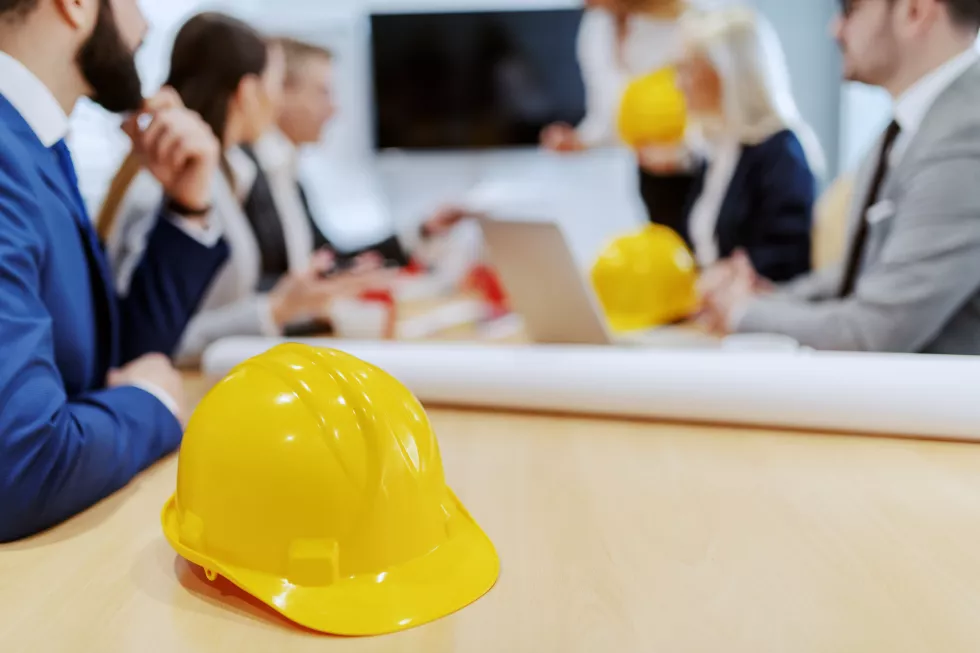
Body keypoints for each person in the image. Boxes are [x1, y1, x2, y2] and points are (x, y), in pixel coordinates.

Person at [0, 0, 229, 541]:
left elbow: (109, 365)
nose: (145, 23)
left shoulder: (35, 143)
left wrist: (185, 208)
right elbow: (20, 464)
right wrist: (153, 403)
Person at [99, 14, 388, 365]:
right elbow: (146, 338)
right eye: (276, 85)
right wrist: (276, 309)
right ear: (248, 92)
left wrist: (295, 304)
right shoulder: (167, 187)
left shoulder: (227, 176)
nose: (279, 103)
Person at [699, 0, 980, 354]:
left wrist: (741, 311)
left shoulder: (965, 135)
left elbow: (876, 331)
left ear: (915, 11)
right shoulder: (912, 126)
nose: (835, 29)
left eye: (850, 9)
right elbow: (863, 273)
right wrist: (761, 296)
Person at [640, 8, 824, 283]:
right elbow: (683, 243)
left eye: (689, 69)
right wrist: (659, 173)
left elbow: (785, 258)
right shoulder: (719, 149)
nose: (678, 85)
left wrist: (725, 277)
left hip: (755, 305)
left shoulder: (781, 152)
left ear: (729, 73)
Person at [242, 37, 411, 274]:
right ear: (281, 91)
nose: (333, 108)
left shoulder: (287, 172)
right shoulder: (247, 172)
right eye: (323, 92)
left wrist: (420, 233)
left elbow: (326, 260)